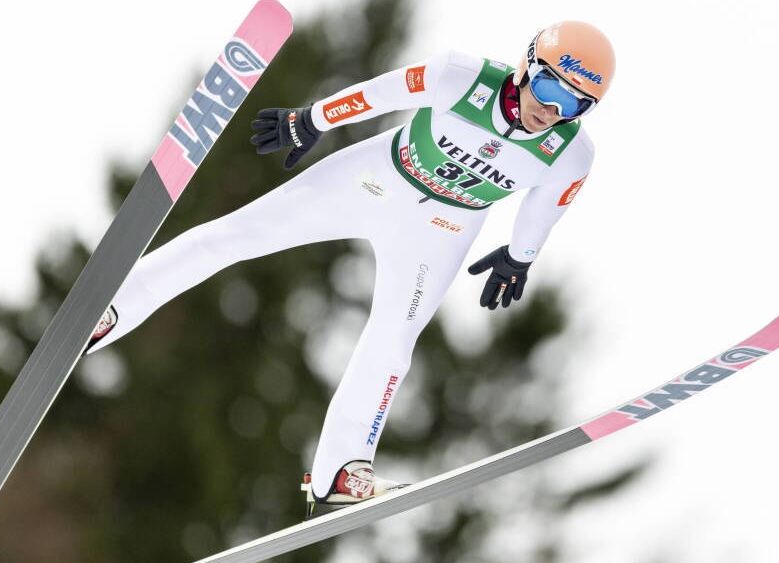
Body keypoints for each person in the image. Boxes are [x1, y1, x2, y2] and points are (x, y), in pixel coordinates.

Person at [86, 20, 615, 518]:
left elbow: (549, 205)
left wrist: (520, 257)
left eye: (576, 104)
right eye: (550, 88)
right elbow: (385, 92)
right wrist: (311, 120)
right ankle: (112, 308)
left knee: (394, 340)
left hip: (442, 229)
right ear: (528, 65)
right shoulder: (462, 76)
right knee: (238, 234)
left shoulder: (570, 152)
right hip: (374, 180)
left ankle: (339, 470)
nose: (553, 110)